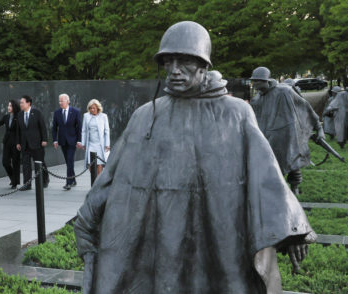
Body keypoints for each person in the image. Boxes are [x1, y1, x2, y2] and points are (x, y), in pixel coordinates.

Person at [74, 21, 315, 294]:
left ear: (203, 65)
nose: (174, 70)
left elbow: (266, 175)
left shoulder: (236, 113)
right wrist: (87, 218)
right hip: (164, 236)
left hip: (220, 235)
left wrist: (293, 228)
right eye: (168, 61)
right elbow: (113, 175)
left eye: (185, 61)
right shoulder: (147, 116)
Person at [250, 67, 324, 195]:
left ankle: (294, 189)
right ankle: (276, 192)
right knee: (270, 166)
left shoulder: (284, 91)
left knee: (292, 163)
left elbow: (305, 108)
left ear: (266, 81)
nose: (254, 84)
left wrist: (319, 129)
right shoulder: (257, 100)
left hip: (288, 136)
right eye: (253, 81)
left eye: (257, 81)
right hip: (266, 138)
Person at [16, 95, 49, 190]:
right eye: (20, 102)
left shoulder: (37, 112)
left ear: (28, 103)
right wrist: (18, 142)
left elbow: (43, 126)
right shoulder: (19, 115)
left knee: (40, 163)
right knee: (26, 165)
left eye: (22, 102)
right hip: (24, 144)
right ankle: (27, 184)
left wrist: (44, 139)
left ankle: (44, 181)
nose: (20, 104)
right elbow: (18, 130)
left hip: (37, 143)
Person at [52, 93, 82, 191]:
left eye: (62, 101)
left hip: (72, 140)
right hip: (62, 141)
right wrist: (55, 140)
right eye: (59, 101)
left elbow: (79, 127)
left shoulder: (75, 111)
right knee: (68, 162)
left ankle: (68, 183)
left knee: (70, 160)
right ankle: (73, 179)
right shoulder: (57, 113)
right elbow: (54, 128)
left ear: (68, 101)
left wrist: (79, 140)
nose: (60, 103)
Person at [81, 99, 110, 175]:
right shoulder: (86, 116)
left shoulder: (103, 116)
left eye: (93, 108)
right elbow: (83, 131)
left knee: (99, 164)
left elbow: (107, 131)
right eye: (90, 108)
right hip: (90, 143)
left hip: (100, 144)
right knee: (90, 163)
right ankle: (94, 179)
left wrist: (107, 144)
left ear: (98, 108)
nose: (92, 110)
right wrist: (83, 143)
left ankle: (98, 182)